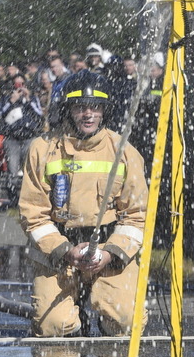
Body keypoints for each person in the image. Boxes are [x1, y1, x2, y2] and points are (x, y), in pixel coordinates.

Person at [18, 71, 148, 337]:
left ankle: (107, 314)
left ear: (104, 111)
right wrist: (65, 250)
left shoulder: (124, 152)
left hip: (108, 250)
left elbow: (136, 217)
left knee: (125, 322)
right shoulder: (42, 149)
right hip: (58, 252)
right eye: (80, 107)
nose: (88, 114)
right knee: (52, 327)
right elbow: (33, 214)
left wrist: (110, 254)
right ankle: (72, 321)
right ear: (68, 109)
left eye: (95, 107)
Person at [0, 73, 44, 207]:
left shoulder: (33, 98)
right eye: (17, 85)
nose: (19, 89)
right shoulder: (6, 99)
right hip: (12, 139)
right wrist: (11, 101)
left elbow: (39, 114)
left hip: (29, 137)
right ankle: (13, 197)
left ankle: (31, 197)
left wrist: (28, 99)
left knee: (31, 169)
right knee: (12, 170)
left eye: (22, 85)